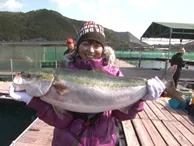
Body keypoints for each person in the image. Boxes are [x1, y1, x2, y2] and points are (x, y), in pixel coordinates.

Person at [9, 21, 165, 146]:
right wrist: (32, 101)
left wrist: (141, 98)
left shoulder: (115, 74)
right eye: (85, 44)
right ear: (77, 46)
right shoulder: (64, 70)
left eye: (96, 45)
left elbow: (123, 114)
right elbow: (60, 121)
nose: (90, 50)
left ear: (103, 48)